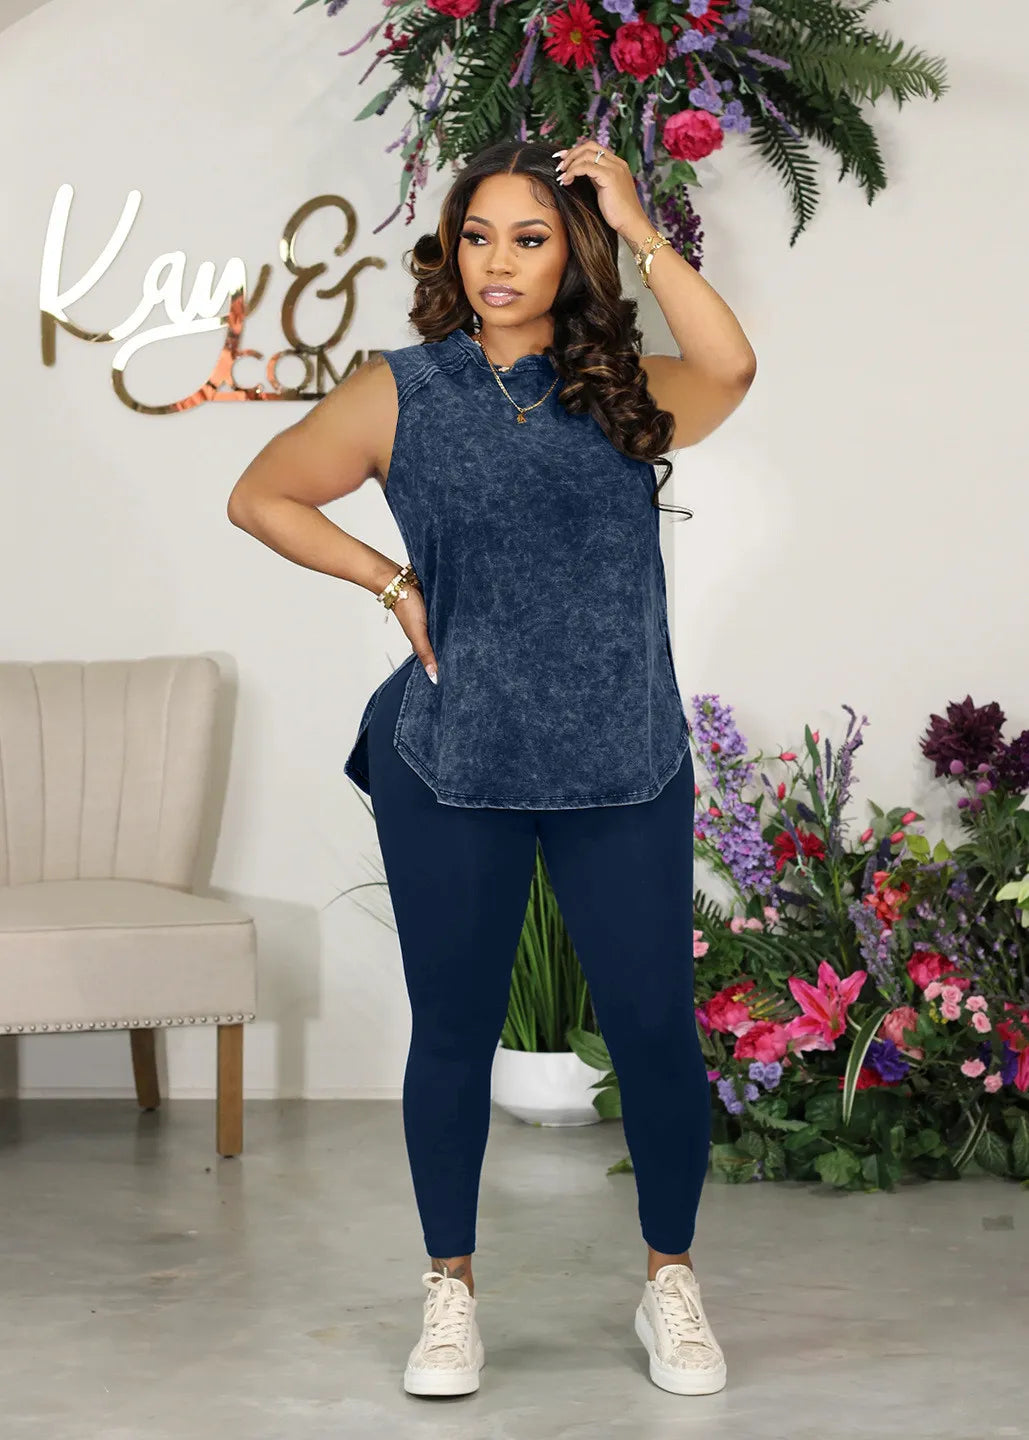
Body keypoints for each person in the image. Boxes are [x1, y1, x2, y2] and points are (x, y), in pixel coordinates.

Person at [227, 137, 756, 1400]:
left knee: (654, 1030)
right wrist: (389, 580)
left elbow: (733, 366)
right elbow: (263, 496)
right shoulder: (400, 390)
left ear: (572, 253)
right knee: (454, 1032)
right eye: (478, 236)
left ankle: (670, 1284)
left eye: (531, 236)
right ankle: (449, 1291)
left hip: (622, 760)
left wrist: (637, 221)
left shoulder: (624, 390)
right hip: (452, 758)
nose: (499, 261)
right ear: (450, 250)